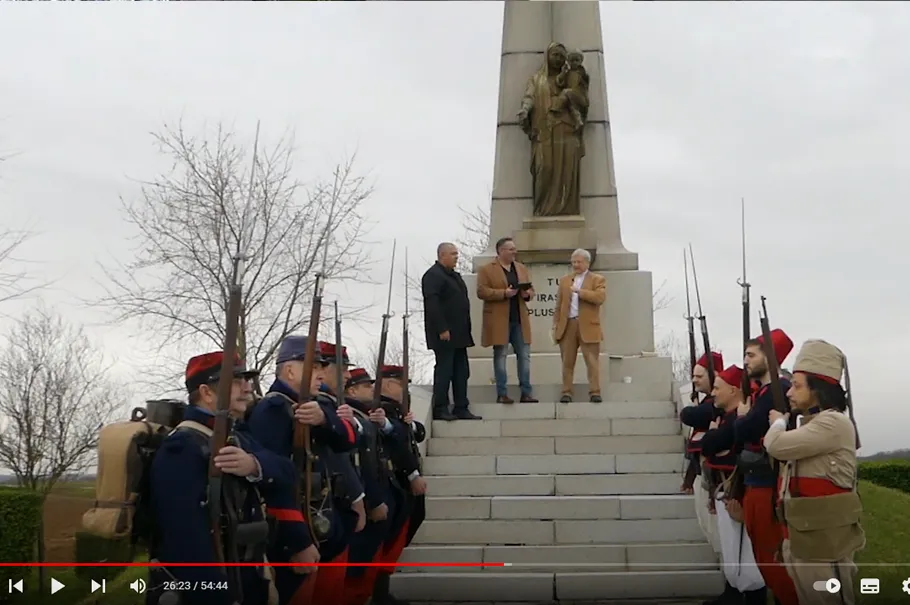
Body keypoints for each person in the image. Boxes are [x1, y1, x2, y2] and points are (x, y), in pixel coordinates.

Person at [147, 351, 285, 605]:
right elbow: (187, 545)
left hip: (248, 578)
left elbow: (285, 472)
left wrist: (253, 464)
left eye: (246, 379)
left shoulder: (236, 436)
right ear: (207, 393)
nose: (247, 387)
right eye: (236, 381)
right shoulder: (181, 448)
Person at [246, 335, 359, 605]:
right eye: (314, 365)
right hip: (295, 536)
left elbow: (348, 440)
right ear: (290, 370)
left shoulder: (316, 406)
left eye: (322, 366)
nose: (321, 372)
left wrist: (324, 419)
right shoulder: (273, 410)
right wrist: (296, 541)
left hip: (321, 526)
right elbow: (273, 485)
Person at [764, 339, 864, 605]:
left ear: (817, 390)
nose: (789, 393)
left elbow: (775, 445)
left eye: (797, 386)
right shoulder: (812, 425)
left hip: (822, 542)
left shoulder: (832, 423)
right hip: (804, 538)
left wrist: (779, 423)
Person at [735, 328, 799, 605]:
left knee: (774, 559)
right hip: (757, 482)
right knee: (765, 558)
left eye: (751, 355)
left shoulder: (778, 389)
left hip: (768, 484)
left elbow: (746, 429)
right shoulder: (763, 391)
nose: (746, 361)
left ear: (769, 359)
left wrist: (742, 418)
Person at [342, 367, 409, 605]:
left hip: (383, 487)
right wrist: (372, 499)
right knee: (357, 565)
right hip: (364, 495)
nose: (372, 390)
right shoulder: (352, 414)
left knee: (371, 556)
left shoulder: (368, 414)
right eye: (366, 386)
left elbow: (402, 437)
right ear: (352, 391)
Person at [700, 365, 765, 605]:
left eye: (718, 388)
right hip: (725, 491)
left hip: (739, 493)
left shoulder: (740, 419)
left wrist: (714, 436)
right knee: (732, 553)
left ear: (734, 390)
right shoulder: (726, 417)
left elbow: (712, 445)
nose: (713, 393)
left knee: (748, 559)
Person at [370, 364, 427, 605]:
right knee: (390, 536)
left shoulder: (397, 409)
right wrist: (412, 474)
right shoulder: (381, 409)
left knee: (402, 530)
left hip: (402, 481)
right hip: (396, 479)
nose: (405, 388)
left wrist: (411, 424)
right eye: (401, 383)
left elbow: (418, 434)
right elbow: (397, 444)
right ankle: (378, 591)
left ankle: (381, 588)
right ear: (389, 384)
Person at [421, 242, 480, 421]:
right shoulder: (433, 275)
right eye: (453, 254)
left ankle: (461, 406)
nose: (456, 257)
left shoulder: (454, 276)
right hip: (444, 334)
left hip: (460, 333)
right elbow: (432, 305)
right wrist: (442, 328)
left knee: (461, 371)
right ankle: (441, 407)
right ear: (442, 255)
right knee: (445, 371)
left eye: (457, 254)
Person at [476, 236, 538, 404]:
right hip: (499, 320)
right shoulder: (487, 269)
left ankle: (526, 393)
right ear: (501, 251)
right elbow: (481, 291)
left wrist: (527, 294)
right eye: (510, 249)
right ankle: (502, 393)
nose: (514, 252)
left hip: (519, 319)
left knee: (524, 356)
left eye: (514, 249)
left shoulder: (520, 268)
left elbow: (531, 290)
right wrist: (503, 293)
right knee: (500, 356)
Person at [679, 351, 723, 542]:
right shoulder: (706, 401)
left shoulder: (716, 403)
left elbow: (690, 416)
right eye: (693, 376)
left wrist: (695, 409)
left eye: (699, 376)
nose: (695, 380)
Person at [551, 248, 606, 403]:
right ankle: (566, 392)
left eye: (579, 262)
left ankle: (595, 392)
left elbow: (600, 297)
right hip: (568, 325)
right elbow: (559, 304)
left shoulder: (597, 279)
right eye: (573, 262)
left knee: (592, 361)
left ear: (587, 262)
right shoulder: (564, 281)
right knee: (567, 362)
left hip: (588, 326)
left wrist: (579, 292)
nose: (575, 265)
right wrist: (556, 324)